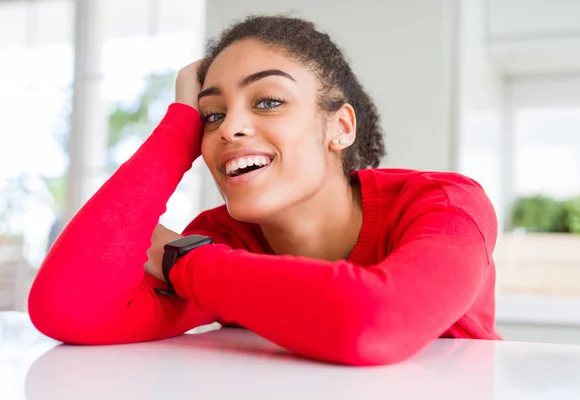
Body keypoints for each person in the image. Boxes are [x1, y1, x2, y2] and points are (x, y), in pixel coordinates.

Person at [28, 15, 501, 366]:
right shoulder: (224, 240)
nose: (229, 128)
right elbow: (66, 309)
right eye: (212, 114)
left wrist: (185, 258)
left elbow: (375, 323)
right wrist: (176, 133)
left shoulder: (442, 205)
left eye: (269, 101)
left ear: (340, 126)